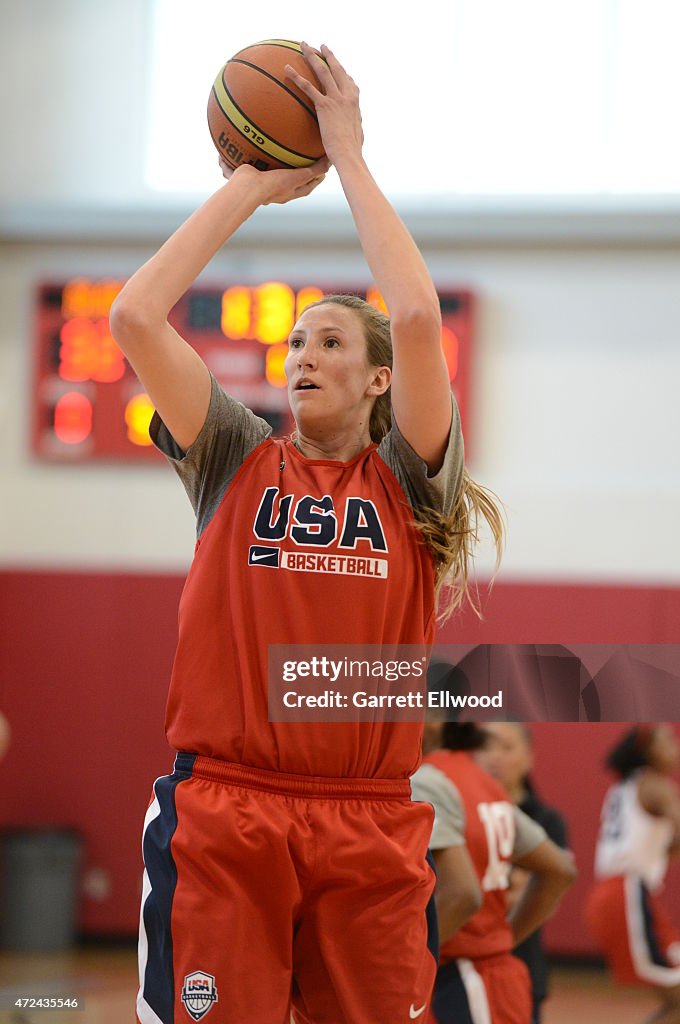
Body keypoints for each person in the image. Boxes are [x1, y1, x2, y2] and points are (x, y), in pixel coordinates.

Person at [110, 43, 504, 1024]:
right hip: (225, 811)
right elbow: (135, 314)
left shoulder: (407, 480)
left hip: (367, 819)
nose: (300, 355)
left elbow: (413, 311)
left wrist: (346, 155)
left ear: (378, 379)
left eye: (328, 340)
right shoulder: (233, 457)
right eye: (292, 341)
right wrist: (251, 183)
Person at [411, 722, 576, 1024]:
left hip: (460, 976)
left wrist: (406, 963)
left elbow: (462, 895)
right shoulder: (478, 779)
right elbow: (559, 870)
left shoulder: (425, 780)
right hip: (491, 974)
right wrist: (502, 940)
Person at [586, 724, 680, 1024]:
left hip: (621, 894)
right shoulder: (655, 784)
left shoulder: (626, 786)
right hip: (626, 894)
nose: (675, 746)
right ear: (648, 752)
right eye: (667, 742)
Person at [478, 722, 570, 1024]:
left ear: (528, 757)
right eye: (486, 745)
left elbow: (529, 892)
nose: (494, 757)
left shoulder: (546, 821)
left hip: (520, 962)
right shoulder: (462, 811)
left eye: (506, 747)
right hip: (462, 968)